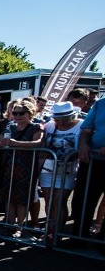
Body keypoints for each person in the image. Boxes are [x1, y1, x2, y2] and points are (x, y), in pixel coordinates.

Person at [0, 100, 43, 238]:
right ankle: (10, 225)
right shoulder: (11, 127)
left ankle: (20, 227)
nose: (18, 116)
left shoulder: (36, 127)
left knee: (22, 199)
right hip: (10, 166)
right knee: (9, 196)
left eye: (21, 113)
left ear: (30, 113)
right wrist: (3, 143)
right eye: (15, 113)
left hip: (27, 167)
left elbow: (38, 143)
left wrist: (16, 143)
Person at [38, 102, 82, 241]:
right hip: (48, 168)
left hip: (68, 170)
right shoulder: (50, 125)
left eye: (64, 118)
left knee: (59, 201)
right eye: (58, 118)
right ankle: (50, 230)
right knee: (50, 201)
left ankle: (58, 231)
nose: (61, 122)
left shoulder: (81, 125)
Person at [71, 96, 105, 248]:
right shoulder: (100, 104)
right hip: (93, 161)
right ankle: (79, 236)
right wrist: (83, 144)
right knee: (82, 199)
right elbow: (86, 130)